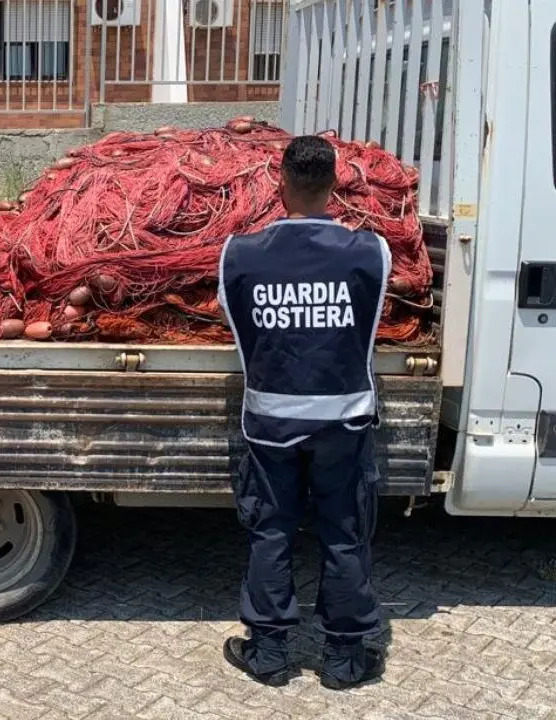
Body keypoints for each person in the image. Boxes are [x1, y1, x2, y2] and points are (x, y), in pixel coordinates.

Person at [217, 135, 389, 690]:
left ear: (280, 181)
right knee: (344, 533)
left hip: (270, 425)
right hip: (345, 423)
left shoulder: (240, 254)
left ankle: (269, 653)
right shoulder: (370, 252)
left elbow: (234, 323)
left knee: (271, 530)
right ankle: (342, 661)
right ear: (335, 183)